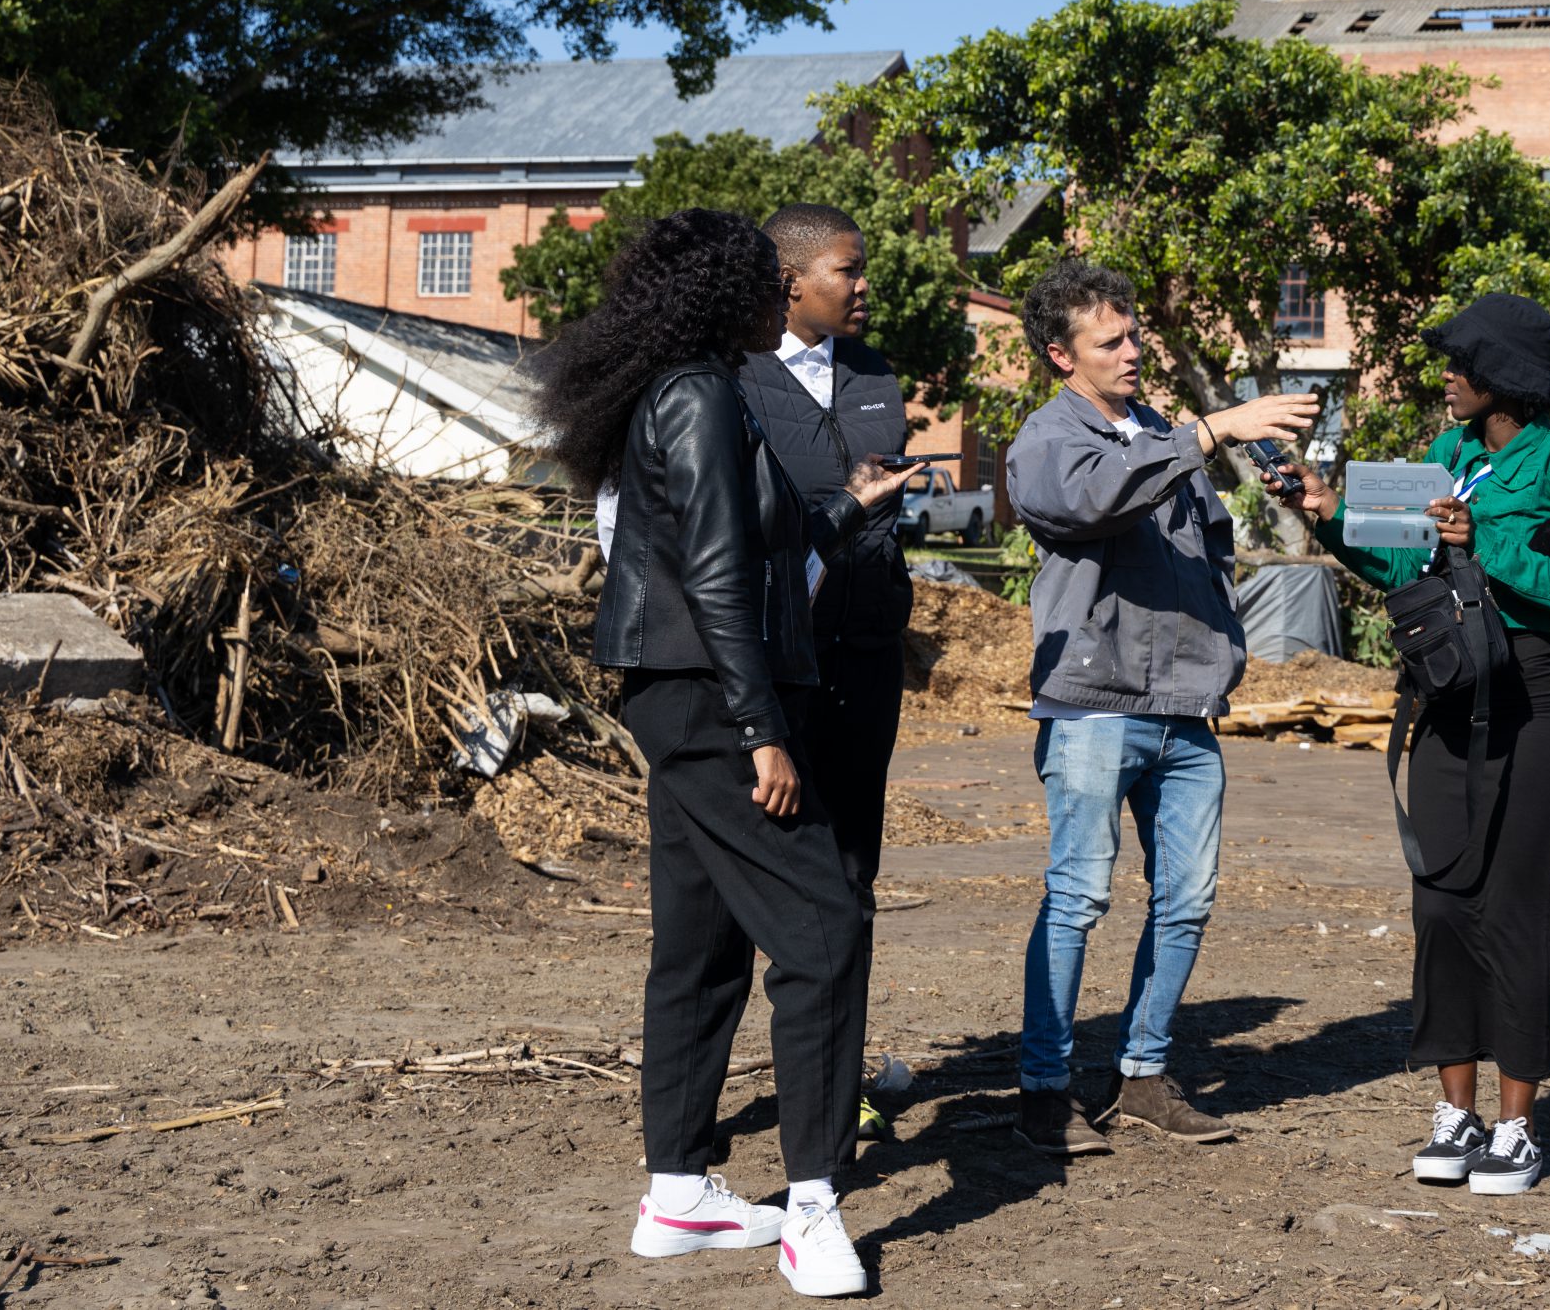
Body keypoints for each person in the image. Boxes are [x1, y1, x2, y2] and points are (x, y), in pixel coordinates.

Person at [536, 207, 921, 1299]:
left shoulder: (697, 394)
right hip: (711, 703)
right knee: (824, 926)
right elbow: (715, 576)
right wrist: (762, 731)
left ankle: (679, 1193)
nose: (784, 298)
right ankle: (812, 1205)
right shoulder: (701, 396)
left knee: (701, 941)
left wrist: (846, 507)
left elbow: (765, 538)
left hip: (681, 694)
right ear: (732, 295)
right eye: (770, 283)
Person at [1001, 259, 1319, 1156]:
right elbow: (1095, 497)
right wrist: (1211, 429)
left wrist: (1227, 654)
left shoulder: (1158, 432)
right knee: (1079, 896)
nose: (1134, 349)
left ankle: (1141, 1074)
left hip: (1186, 710)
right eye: (1112, 340)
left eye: (1135, 332)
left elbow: (1203, 557)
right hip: (1095, 706)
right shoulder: (1048, 441)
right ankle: (1044, 1087)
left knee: (1185, 898)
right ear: (1062, 355)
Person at [1294, 293, 1550, 1197]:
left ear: (1499, 372)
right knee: (1440, 905)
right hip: (1444, 697)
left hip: (1528, 703)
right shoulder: (1446, 454)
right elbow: (1398, 563)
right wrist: (1325, 514)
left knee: (1514, 906)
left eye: (1457, 362)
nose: (1444, 376)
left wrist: (1487, 550)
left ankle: (1517, 1126)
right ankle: (1455, 1112)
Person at [737, 203, 917, 1141]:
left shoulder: (879, 376)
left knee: (853, 874)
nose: (862, 285)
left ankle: (837, 1085)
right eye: (847, 270)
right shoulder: (737, 383)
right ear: (791, 281)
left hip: (866, 663)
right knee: (757, 888)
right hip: (774, 674)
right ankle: (728, 1092)